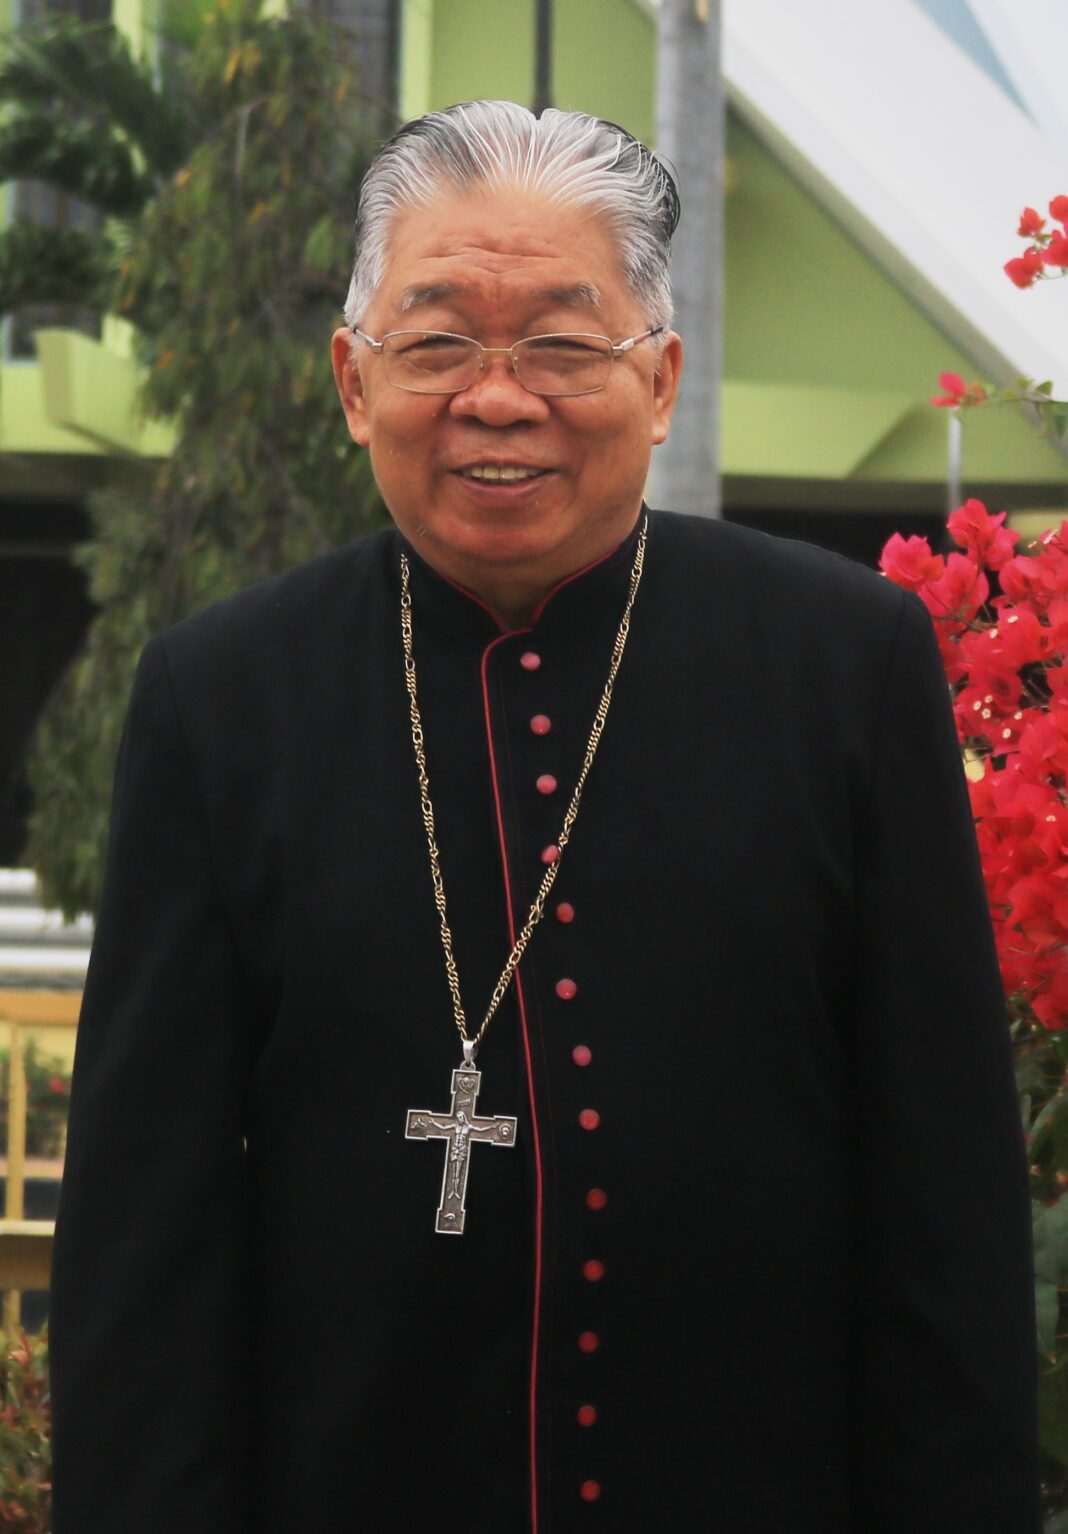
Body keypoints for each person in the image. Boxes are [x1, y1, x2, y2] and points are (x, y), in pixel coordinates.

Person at [49, 100, 1039, 1532]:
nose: (498, 399)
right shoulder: (224, 698)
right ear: (352, 380)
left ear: (661, 379)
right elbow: (145, 1242)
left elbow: (945, 1207)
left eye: (564, 347)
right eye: (438, 342)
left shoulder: (844, 666)